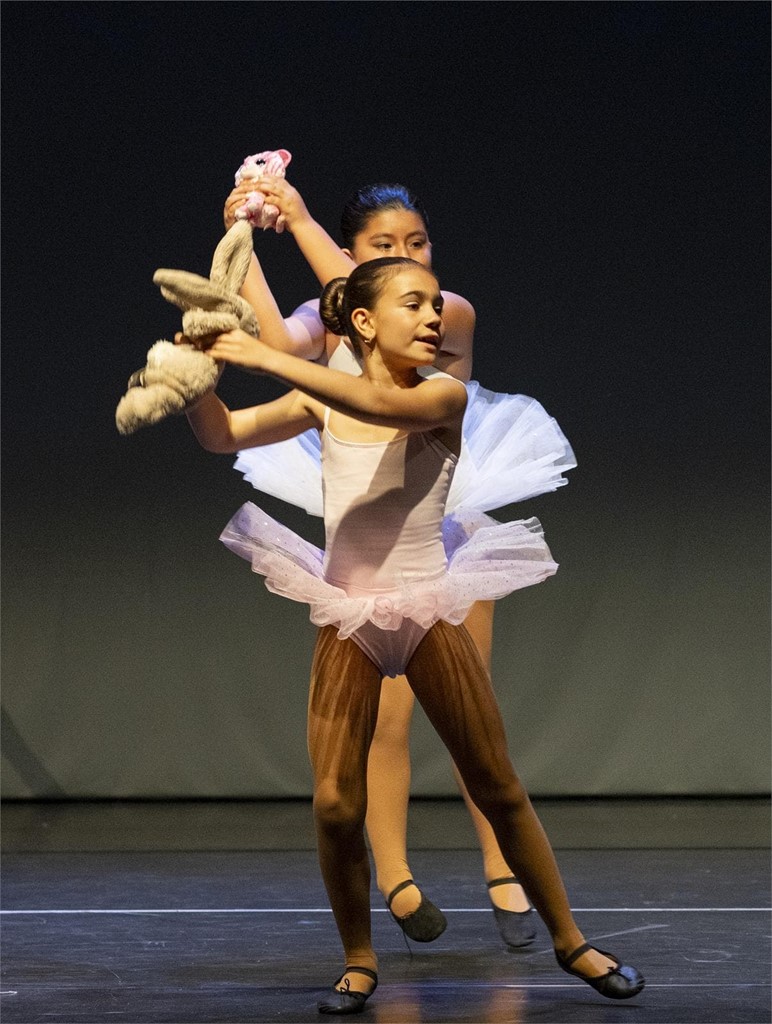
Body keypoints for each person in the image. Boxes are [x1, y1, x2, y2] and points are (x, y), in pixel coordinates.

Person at [183, 257, 644, 1013]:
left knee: (495, 781)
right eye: (414, 304)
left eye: (436, 305)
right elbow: (224, 435)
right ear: (363, 323)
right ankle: (360, 959)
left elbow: (379, 406)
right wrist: (193, 378)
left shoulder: (442, 394)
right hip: (352, 613)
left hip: (427, 607)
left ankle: (571, 941)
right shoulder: (326, 400)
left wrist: (262, 354)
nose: (435, 316)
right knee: (335, 804)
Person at [217, 177, 576, 947]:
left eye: (419, 245)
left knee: (476, 728)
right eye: (388, 248)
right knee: (380, 729)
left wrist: (302, 219)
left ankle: (503, 867)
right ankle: (394, 877)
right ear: (353, 262)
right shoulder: (342, 319)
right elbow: (283, 344)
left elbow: (366, 356)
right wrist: (244, 230)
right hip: (364, 519)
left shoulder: (444, 314)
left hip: (440, 523)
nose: (412, 263)